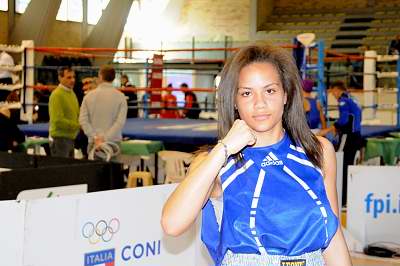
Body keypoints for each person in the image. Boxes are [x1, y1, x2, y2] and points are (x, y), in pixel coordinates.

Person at [161, 45, 352, 266]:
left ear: (286, 95)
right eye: (246, 93)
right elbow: (172, 224)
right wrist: (223, 149)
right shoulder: (215, 162)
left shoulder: (317, 151)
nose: (259, 103)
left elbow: (332, 236)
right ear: (234, 100)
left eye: (269, 90)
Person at [319, 81, 362, 207]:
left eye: (333, 92)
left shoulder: (343, 100)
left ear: (337, 90)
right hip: (356, 136)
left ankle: (342, 200)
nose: (333, 95)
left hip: (349, 138)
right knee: (349, 166)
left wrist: (329, 129)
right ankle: (348, 197)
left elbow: (344, 120)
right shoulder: (353, 98)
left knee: (342, 166)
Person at [79, 65, 127, 159]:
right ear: (113, 78)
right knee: (112, 173)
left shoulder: (88, 96)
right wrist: (104, 138)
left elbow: (83, 120)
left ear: (100, 76)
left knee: (94, 172)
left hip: (94, 142)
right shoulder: (121, 97)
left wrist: (95, 137)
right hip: (113, 141)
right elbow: (120, 122)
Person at [48, 66, 80, 158]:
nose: (72, 80)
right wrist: (78, 126)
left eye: (73, 77)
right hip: (60, 139)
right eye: (69, 77)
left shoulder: (72, 93)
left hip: (70, 138)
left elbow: (76, 114)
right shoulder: (56, 95)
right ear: (60, 78)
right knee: (61, 171)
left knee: (68, 171)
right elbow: (57, 121)